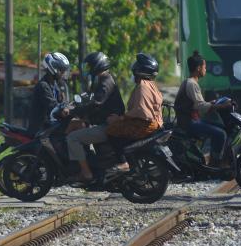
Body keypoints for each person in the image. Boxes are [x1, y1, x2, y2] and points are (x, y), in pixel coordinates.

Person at [65, 51, 126, 183]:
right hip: (104, 122)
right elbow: (90, 98)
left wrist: (74, 112)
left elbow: (96, 103)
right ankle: (89, 163)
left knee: (72, 138)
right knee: (78, 125)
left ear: (97, 65)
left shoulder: (105, 82)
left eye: (90, 66)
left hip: (108, 126)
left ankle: (86, 173)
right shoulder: (102, 80)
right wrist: (77, 106)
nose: (88, 69)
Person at [105, 53, 164, 174]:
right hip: (155, 124)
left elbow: (140, 111)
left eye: (136, 69)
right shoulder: (151, 85)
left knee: (111, 131)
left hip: (144, 125)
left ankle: (123, 162)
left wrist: (120, 118)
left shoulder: (142, 86)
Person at [174, 51, 232, 166]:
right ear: (199, 68)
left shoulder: (189, 82)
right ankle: (214, 164)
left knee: (221, 127)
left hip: (191, 119)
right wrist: (221, 105)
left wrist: (213, 103)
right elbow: (201, 107)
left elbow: (198, 104)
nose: (206, 69)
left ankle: (217, 159)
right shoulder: (192, 84)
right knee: (221, 134)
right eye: (204, 66)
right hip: (189, 122)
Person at [27, 52, 71, 135]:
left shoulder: (55, 85)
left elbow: (62, 102)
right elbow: (52, 105)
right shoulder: (43, 86)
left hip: (50, 126)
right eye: (61, 70)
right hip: (41, 130)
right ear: (53, 68)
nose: (63, 73)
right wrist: (63, 110)